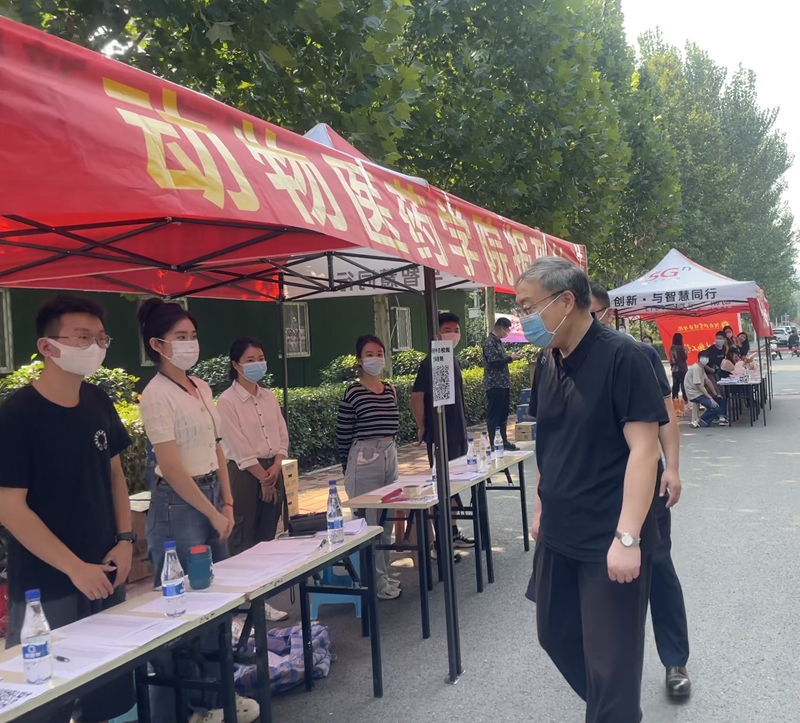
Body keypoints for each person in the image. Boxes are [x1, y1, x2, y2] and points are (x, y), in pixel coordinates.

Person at [519, 258, 667, 723]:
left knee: (610, 664)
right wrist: (540, 504)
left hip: (608, 536)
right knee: (554, 634)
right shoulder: (547, 360)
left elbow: (645, 450)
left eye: (528, 306)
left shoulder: (624, 357)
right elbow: (549, 441)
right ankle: (614, 707)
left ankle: (614, 709)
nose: (523, 318)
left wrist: (628, 538)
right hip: (559, 532)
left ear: (566, 301)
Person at [0, 295, 135, 723]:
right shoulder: (17, 416)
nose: (95, 346)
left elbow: (115, 475)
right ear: (47, 346)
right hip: (47, 587)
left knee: (107, 694)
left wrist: (126, 541)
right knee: (44, 701)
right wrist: (74, 567)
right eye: (82, 337)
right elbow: (9, 507)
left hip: (106, 570)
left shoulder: (97, 400)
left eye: (101, 338)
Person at [138, 299, 258, 723]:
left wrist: (227, 500)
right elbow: (171, 466)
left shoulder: (201, 387)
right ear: (157, 344)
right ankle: (190, 706)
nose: (190, 343)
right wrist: (211, 512)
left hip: (209, 495)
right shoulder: (155, 395)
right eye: (180, 337)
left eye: (192, 335)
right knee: (184, 608)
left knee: (215, 602)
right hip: (178, 506)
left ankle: (217, 695)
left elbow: (217, 447)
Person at [591, 284, 692, 698]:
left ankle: (675, 660)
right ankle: (606, 665)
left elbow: (665, 416)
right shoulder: (560, 359)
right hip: (593, 490)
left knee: (657, 564)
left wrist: (673, 469)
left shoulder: (637, 354)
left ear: (606, 314)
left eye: (593, 313)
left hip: (643, 481)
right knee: (598, 572)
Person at [217, 336, 289, 622]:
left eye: (260, 358)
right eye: (250, 360)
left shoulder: (269, 396)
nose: (257, 364)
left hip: (273, 469)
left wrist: (277, 466)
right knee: (242, 539)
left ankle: (262, 601)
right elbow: (237, 446)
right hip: (245, 474)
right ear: (236, 365)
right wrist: (263, 478)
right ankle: (242, 606)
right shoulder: (227, 401)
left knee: (266, 538)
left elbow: (281, 434)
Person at [336, 335, 402, 600]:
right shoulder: (353, 392)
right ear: (360, 360)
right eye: (369, 354)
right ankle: (374, 582)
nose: (375, 358)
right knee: (369, 523)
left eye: (379, 353)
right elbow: (343, 432)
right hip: (364, 457)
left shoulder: (390, 389)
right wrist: (347, 465)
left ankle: (384, 575)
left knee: (386, 521)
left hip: (390, 453)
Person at [411, 312, 474, 551]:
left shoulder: (451, 359)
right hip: (441, 436)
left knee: (454, 487)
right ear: (437, 333)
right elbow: (417, 396)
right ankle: (441, 542)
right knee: (442, 487)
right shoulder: (432, 361)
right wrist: (423, 426)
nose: (454, 334)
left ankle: (453, 532)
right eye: (448, 330)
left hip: (457, 433)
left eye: (456, 330)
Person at [482, 317, 523, 450]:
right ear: (500, 329)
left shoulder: (499, 342)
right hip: (494, 384)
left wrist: (511, 357)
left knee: (503, 413)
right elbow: (494, 362)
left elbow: (501, 360)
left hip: (503, 383)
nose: (507, 332)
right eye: (506, 330)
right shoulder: (489, 342)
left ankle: (503, 441)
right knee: (494, 414)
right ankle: (494, 443)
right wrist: (511, 359)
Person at [685, 354, 730, 427]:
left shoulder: (701, 368)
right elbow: (699, 386)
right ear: (699, 358)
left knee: (721, 399)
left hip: (700, 393)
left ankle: (721, 418)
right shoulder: (696, 368)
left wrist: (716, 394)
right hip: (695, 394)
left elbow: (708, 381)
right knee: (714, 407)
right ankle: (698, 421)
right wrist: (711, 398)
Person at [669, 333, 689, 401]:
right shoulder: (681, 348)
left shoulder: (671, 348)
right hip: (682, 369)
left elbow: (671, 360)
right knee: (683, 385)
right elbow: (684, 358)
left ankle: (674, 397)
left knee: (675, 384)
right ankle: (685, 399)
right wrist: (686, 351)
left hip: (674, 369)